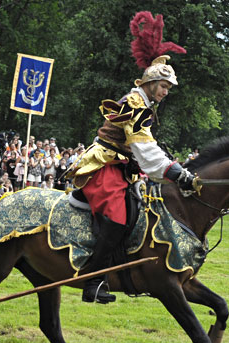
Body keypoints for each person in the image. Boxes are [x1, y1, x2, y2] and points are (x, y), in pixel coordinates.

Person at [67, 16, 195, 303]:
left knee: (140, 213)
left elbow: (145, 148)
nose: (165, 93)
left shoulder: (144, 104)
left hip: (124, 168)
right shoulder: (134, 103)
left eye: (168, 89)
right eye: (163, 86)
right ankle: (92, 282)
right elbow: (145, 147)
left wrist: (172, 168)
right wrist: (174, 171)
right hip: (104, 165)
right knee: (118, 219)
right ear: (151, 82)